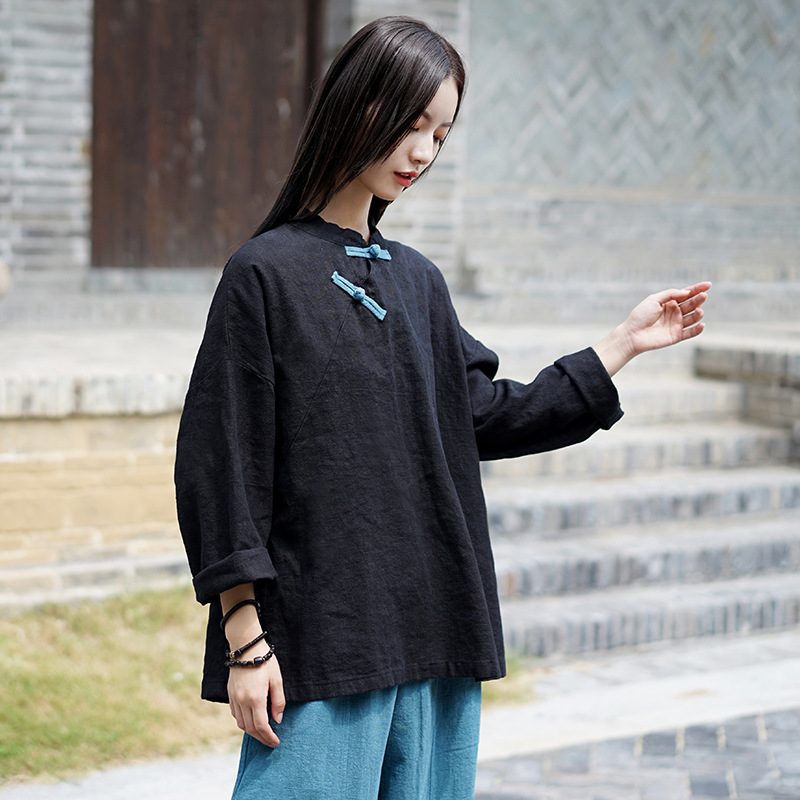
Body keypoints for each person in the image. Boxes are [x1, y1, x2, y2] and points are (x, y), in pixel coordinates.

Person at [174, 15, 710, 800]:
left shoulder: (419, 282)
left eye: (441, 134)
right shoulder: (264, 275)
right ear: (359, 103)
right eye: (413, 123)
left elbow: (485, 415)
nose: (424, 151)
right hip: (325, 641)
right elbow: (221, 465)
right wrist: (245, 638)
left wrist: (621, 344)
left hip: (435, 633)